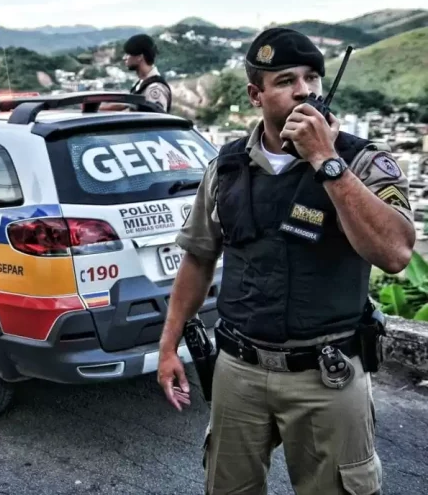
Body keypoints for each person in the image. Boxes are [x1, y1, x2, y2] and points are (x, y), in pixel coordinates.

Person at [156, 28, 414, 494]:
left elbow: (395, 254)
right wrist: (169, 345)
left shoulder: (361, 161)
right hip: (238, 371)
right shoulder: (226, 168)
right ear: (257, 94)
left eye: (312, 77)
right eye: (286, 80)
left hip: (328, 374)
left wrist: (326, 161)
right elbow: (198, 258)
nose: (305, 90)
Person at [102, 33, 172, 112]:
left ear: (139, 57)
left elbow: (155, 121)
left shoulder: (155, 88)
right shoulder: (141, 83)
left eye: (128, 54)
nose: (124, 58)